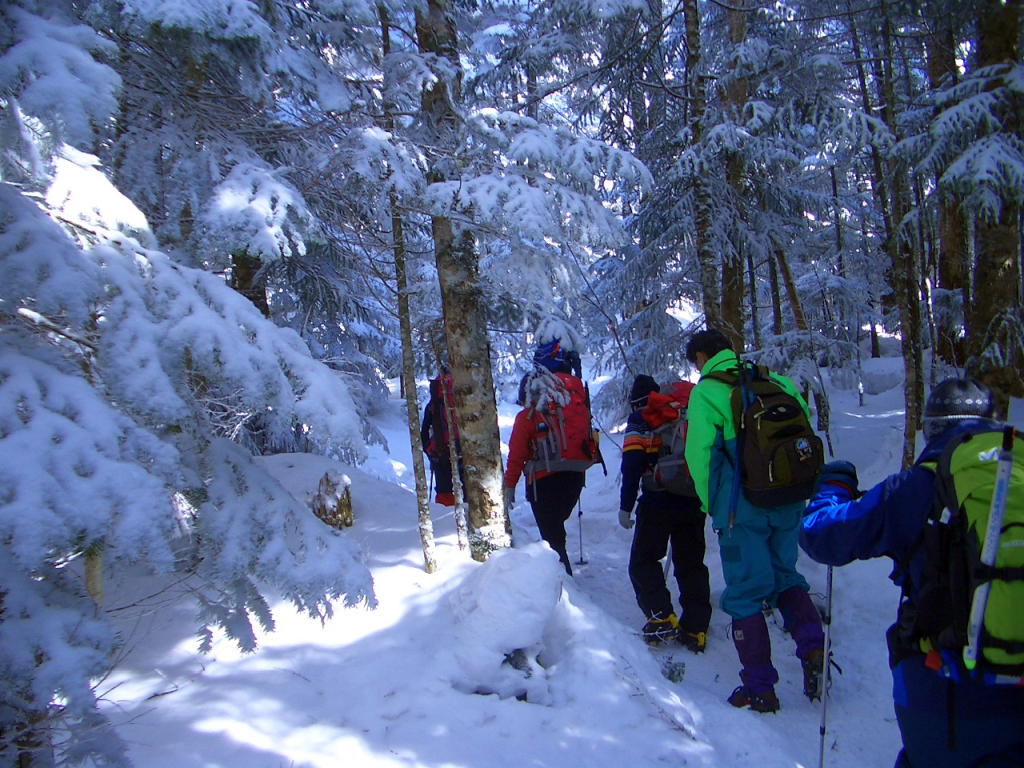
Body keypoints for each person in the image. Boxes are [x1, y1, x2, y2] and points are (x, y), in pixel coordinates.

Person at [801, 377, 1024, 767]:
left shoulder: (919, 487)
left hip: (945, 696)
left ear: (932, 430)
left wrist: (832, 487)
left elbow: (821, 536)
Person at [683, 328, 825, 713]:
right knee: (786, 577)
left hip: (740, 509)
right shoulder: (773, 380)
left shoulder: (707, 392)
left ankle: (760, 688)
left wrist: (709, 505)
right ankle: (814, 648)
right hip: (790, 498)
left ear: (701, 357)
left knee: (746, 591)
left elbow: (699, 457)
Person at [618, 375, 712, 651]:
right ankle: (695, 629)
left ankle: (660, 618)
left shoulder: (641, 418)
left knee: (644, 560)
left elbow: (632, 464)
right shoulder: (687, 415)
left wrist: (626, 506)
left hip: (657, 501)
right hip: (693, 500)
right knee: (692, 564)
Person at [504, 339, 593, 575]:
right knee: (556, 532)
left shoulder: (527, 417)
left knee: (553, 542)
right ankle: (564, 583)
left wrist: (509, 486)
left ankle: (564, 591)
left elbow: (517, 455)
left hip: (543, 481)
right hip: (575, 475)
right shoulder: (572, 402)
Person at [421, 371, 462, 506]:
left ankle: (445, 520)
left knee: (444, 492)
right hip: (463, 452)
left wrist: (430, 452)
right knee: (465, 489)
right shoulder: (461, 401)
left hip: (441, 453)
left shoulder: (433, 404)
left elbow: (424, 432)